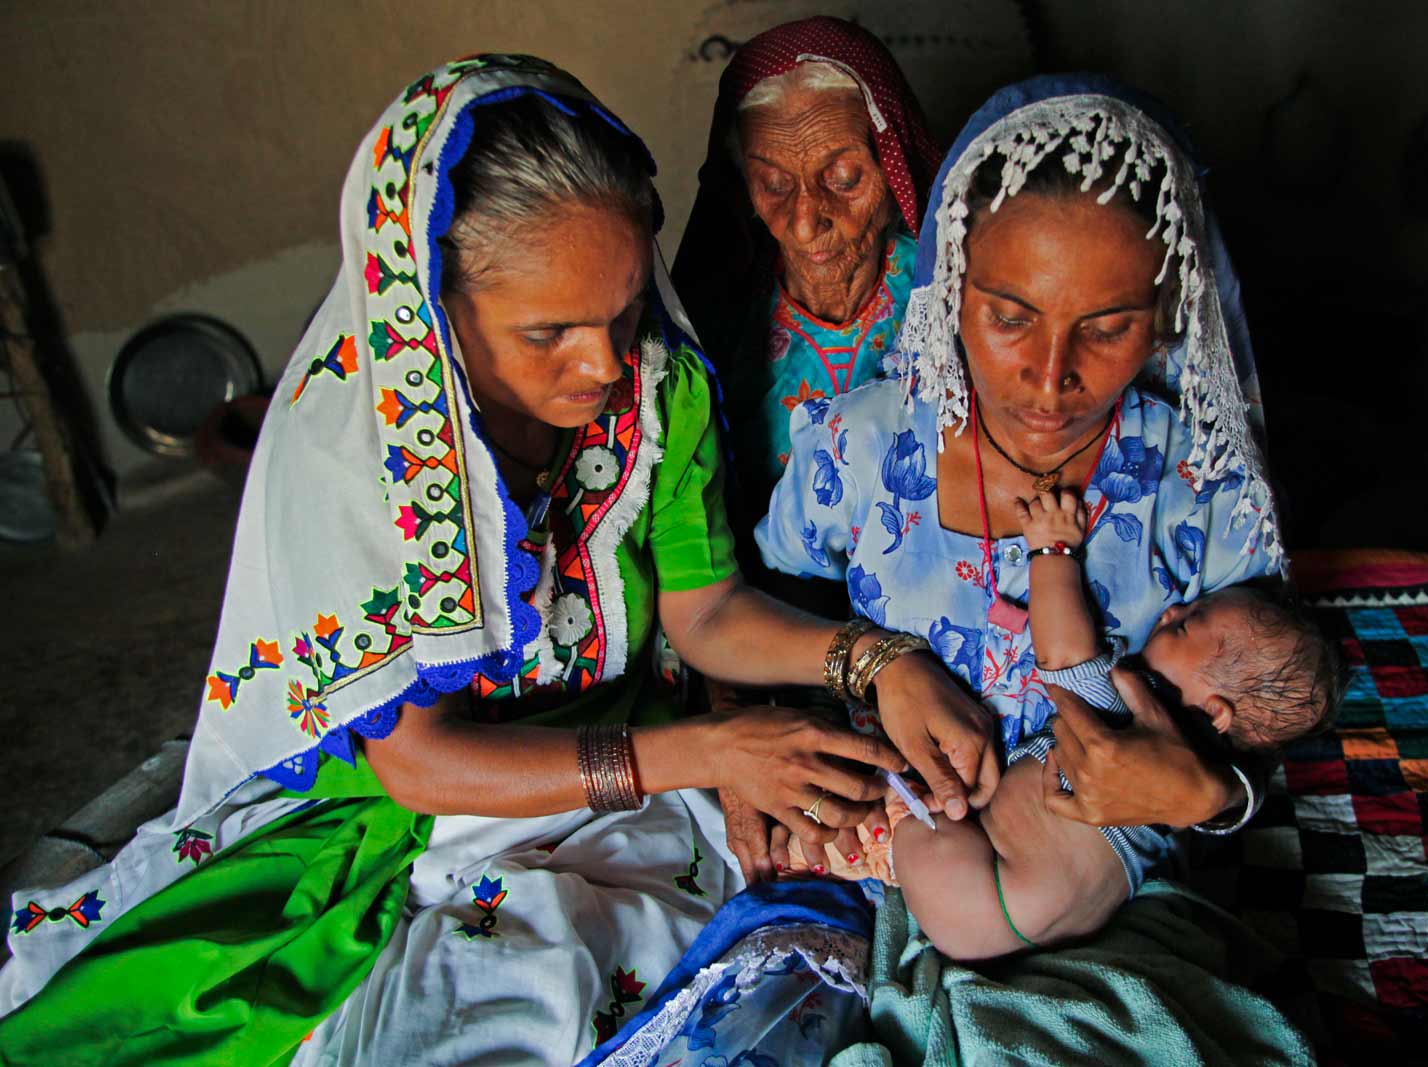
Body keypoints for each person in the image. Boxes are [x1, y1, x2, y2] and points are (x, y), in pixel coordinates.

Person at [0, 56, 997, 1067]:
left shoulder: (655, 385)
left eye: (621, 312)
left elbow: (704, 611)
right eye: (548, 332)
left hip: (627, 744)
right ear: (433, 311)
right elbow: (419, 758)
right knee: (455, 1000)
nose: (603, 364)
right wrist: (711, 751)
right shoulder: (362, 450)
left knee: (835, 896)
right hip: (414, 808)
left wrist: (876, 658)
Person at [755, 73, 1286, 934]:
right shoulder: (860, 445)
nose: (1049, 380)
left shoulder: (1201, 484)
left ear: (1164, 318)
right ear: (951, 285)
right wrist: (860, 676)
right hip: (868, 869)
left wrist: (1208, 794)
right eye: (1009, 317)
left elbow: (1264, 698)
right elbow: (749, 616)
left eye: (1108, 328)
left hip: (1106, 897)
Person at [892, 487, 1342, 960]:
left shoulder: (1126, 712)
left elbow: (1062, 651)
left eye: (1186, 624)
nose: (1171, 610)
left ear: (1214, 711)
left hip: (983, 901)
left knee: (914, 817)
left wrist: (1052, 551)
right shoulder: (1190, 793)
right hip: (1061, 923)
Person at [672, 16, 940, 538]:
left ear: (893, 168)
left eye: (843, 179)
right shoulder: (719, 323)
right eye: (773, 185)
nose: (803, 221)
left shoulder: (955, 292)